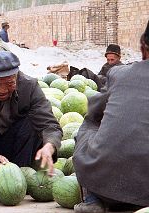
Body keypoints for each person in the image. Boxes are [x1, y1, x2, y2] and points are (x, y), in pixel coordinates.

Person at [73, 21, 149, 213]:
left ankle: (92, 198)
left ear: (143, 47)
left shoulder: (119, 74)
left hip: (105, 186)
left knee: (89, 125)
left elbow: (94, 111)